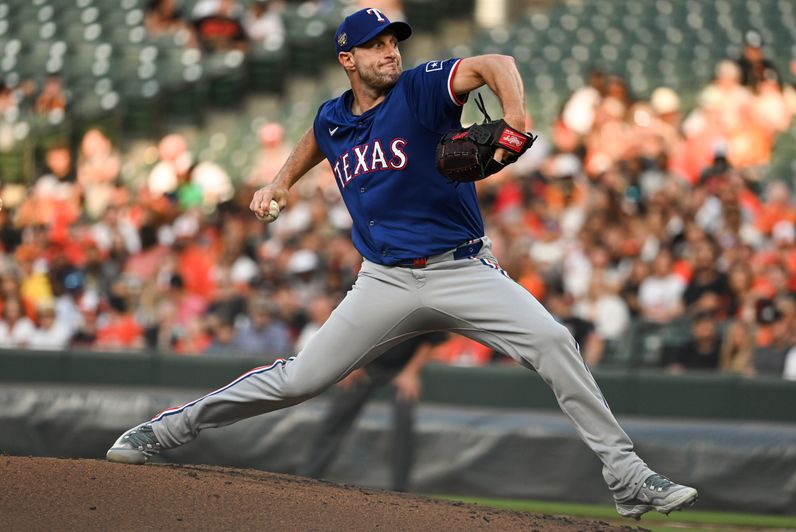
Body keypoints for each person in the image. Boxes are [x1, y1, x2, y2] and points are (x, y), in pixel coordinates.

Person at [107, 8, 698, 520]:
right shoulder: (333, 118)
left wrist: (515, 119)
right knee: (299, 379)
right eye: (376, 45)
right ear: (348, 59)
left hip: (462, 268)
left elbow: (498, 62)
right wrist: (278, 181)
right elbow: (317, 137)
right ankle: (164, 430)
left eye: (394, 42)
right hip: (384, 280)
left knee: (553, 341)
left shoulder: (420, 89)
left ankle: (627, 476)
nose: (390, 52)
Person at [298, 332, 445, 492]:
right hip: (366, 363)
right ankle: (307, 477)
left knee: (404, 423)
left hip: (403, 367)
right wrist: (353, 363)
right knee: (335, 419)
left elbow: (431, 339)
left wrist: (411, 372)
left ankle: (401, 490)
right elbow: (354, 328)